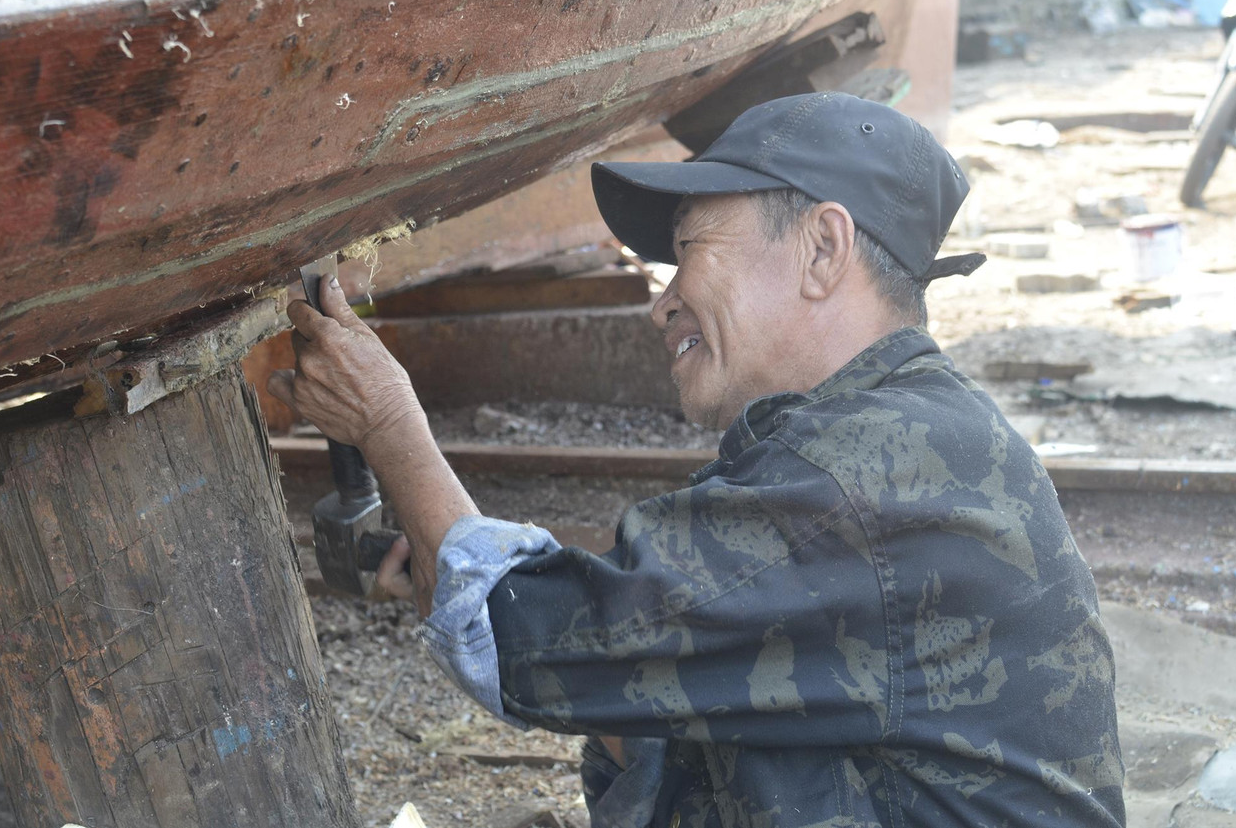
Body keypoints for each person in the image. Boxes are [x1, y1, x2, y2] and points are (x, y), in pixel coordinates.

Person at [268, 93, 1126, 828]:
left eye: (692, 251)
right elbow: (661, 688)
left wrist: (390, 425)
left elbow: (525, 637)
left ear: (823, 250)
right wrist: (453, 556)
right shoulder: (905, 434)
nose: (664, 302)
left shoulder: (864, 473)